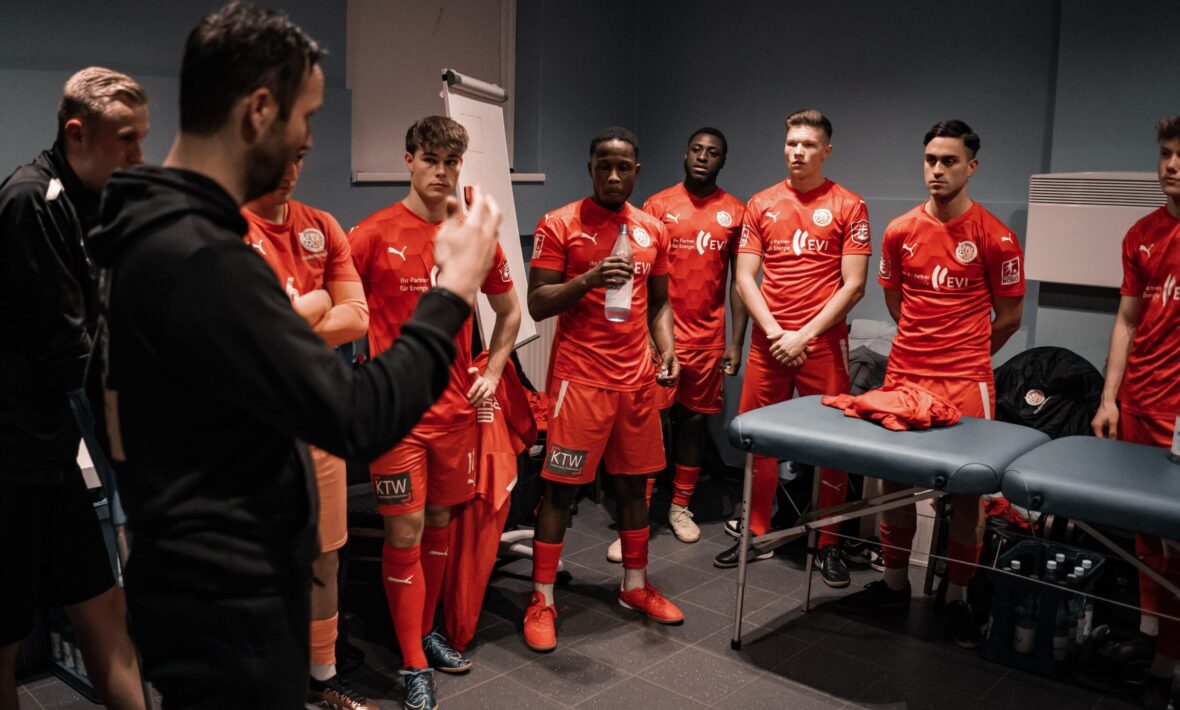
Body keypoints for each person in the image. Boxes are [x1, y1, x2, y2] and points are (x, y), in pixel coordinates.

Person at [87, 4, 501, 707]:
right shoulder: (202, 259)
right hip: (227, 603)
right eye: (305, 118)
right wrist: (454, 290)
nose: (309, 139)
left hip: (192, 580)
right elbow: (359, 417)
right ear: (258, 111)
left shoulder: (144, 224)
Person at [349, 115, 521, 707]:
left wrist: (492, 372)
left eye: (451, 162)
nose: (442, 172)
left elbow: (510, 312)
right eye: (431, 160)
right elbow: (340, 308)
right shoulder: (371, 235)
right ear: (409, 161)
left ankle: (425, 634)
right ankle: (413, 664)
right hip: (395, 418)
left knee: (440, 524)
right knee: (406, 531)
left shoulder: (473, 237)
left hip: (454, 415)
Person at [839, 120, 1024, 650]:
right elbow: (896, 302)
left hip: (966, 382)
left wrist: (965, 355)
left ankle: (957, 598)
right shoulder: (899, 231)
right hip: (905, 375)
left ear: (972, 166)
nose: (937, 170)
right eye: (930, 160)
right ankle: (894, 584)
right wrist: (923, 348)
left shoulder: (996, 236)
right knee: (894, 481)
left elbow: (1010, 318)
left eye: (949, 161)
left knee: (967, 494)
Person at [0, 66, 148, 710]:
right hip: (8, 463)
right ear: (77, 133)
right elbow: (72, 354)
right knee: (2, 646)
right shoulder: (32, 200)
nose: (138, 155)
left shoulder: (100, 204)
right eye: (126, 139)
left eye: (143, 138)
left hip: (53, 456)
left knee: (103, 610)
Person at [522, 126, 683, 653]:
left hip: (635, 381)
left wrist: (667, 349)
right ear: (589, 168)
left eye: (623, 167)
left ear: (637, 171)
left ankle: (635, 587)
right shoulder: (559, 223)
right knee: (561, 491)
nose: (613, 176)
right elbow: (538, 303)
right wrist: (589, 280)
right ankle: (542, 598)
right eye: (603, 166)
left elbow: (659, 303)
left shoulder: (652, 229)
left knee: (634, 488)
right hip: (580, 380)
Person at [716, 110, 871, 590]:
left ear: (826, 151)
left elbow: (854, 285)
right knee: (758, 438)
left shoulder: (849, 205)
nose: (797, 152)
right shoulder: (761, 203)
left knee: (833, 445)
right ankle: (757, 531)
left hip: (822, 344)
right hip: (769, 343)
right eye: (791, 143)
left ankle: (828, 543)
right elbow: (744, 277)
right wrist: (774, 331)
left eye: (807, 144)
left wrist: (802, 335)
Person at [242, 153, 375, 710]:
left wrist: (295, 320)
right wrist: (319, 304)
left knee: (324, 555)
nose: (287, 167)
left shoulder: (322, 226)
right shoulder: (224, 228)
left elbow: (358, 316)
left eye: (297, 155)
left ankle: (323, 678)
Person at [1091, 115, 1180, 710]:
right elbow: (1126, 320)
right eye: (1166, 154)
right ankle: (1151, 636)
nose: (1172, 165)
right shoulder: (1141, 233)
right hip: (1141, 400)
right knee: (1146, 531)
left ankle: (1167, 667)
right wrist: (1109, 398)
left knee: (1178, 538)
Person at [631, 127, 747, 550]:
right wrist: (642, 334)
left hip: (707, 339)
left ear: (722, 161)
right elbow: (641, 277)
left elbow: (740, 283)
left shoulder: (736, 212)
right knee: (651, 422)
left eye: (712, 152)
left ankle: (680, 506)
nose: (703, 157)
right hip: (659, 337)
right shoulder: (658, 205)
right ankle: (640, 511)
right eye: (696, 149)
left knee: (695, 422)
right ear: (685, 154)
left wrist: (736, 341)